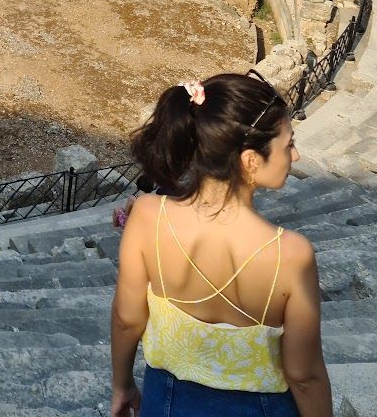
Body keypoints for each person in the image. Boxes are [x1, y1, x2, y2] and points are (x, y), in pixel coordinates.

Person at [109, 73, 330, 417]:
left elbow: (127, 319)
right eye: (288, 144)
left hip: (165, 400)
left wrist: (123, 386)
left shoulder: (147, 216)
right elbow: (304, 375)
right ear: (250, 160)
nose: (296, 155)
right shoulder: (292, 254)